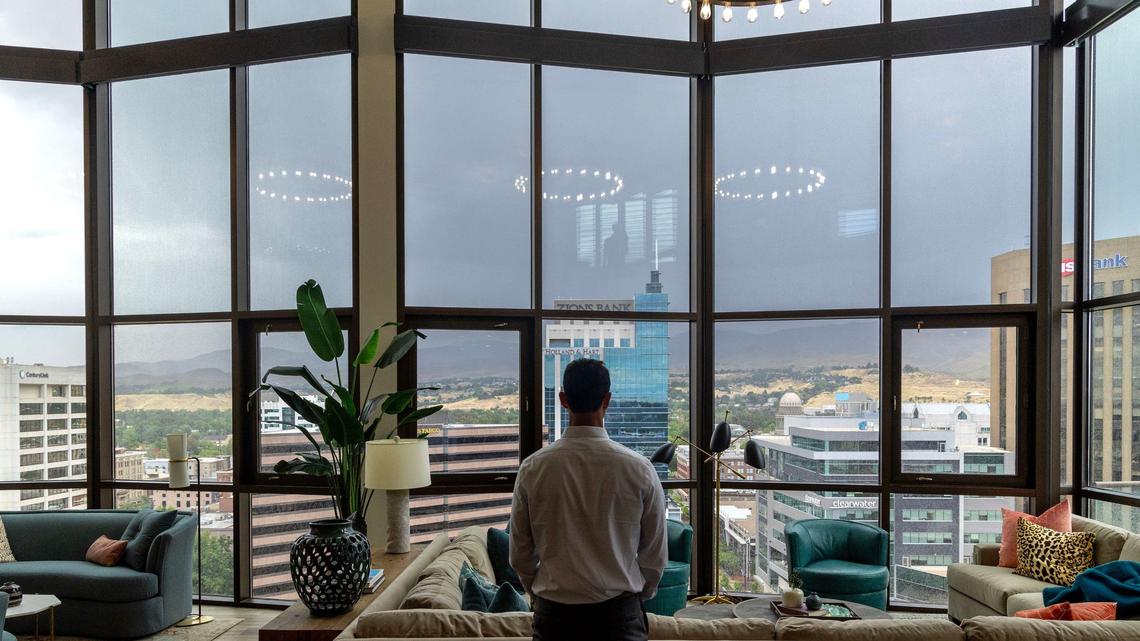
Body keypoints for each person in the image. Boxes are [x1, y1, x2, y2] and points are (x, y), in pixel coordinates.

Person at [509, 359, 667, 641]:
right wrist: (638, 595)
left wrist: (539, 590)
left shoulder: (533, 469)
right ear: (607, 400)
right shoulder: (640, 469)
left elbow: (520, 553)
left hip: (555, 619)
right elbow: (654, 555)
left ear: (563, 400)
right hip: (620, 618)